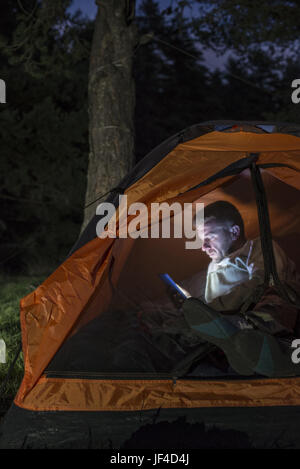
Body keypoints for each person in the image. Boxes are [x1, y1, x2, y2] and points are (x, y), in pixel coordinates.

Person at [180, 201, 300, 377]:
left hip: (273, 316)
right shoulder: (213, 268)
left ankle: (260, 342)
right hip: (234, 324)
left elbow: (264, 281)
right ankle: (239, 348)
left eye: (210, 237)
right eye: (201, 240)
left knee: (280, 289)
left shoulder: (261, 247)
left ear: (234, 232)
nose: (203, 247)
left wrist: (217, 309)